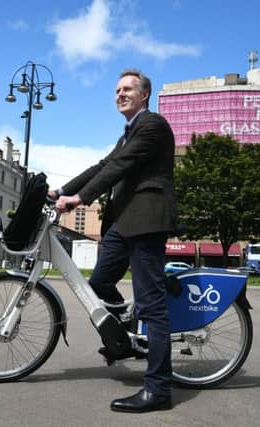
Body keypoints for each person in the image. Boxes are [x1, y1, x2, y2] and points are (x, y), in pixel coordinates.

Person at [51, 69, 176, 413]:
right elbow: (102, 166)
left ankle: (158, 389)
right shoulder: (127, 134)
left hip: (146, 220)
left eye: (127, 89)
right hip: (122, 223)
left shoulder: (152, 125)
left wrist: (81, 200)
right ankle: (125, 342)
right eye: (117, 90)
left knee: (152, 304)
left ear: (144, 95)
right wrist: (62, 190)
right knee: (100, 282)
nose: (120, 94)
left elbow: (118, 167)